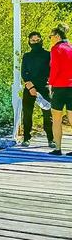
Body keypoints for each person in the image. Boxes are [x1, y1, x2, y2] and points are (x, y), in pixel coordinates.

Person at [25, 30, 62, 153]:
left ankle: (50, 139)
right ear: (29, 42)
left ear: (41, 40)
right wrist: (30, 87)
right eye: (32, 40)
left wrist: (51, 85)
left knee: (48, 115)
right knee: (27, 114)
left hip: (45, 88)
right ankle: (26, 138)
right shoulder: (27, 56)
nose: (35, 42)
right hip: (30, 88)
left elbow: (54, 70)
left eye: (37, 40)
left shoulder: (48, 54)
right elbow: (24, 72)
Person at [52, 27, 72, 157]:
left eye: (51, 36)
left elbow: (55, 68)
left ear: (58, 36)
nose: (51, 38)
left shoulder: (56, 49)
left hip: (59, 87)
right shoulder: (71, 47)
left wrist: (50, 83)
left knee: (57, 119)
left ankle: (58, 148)